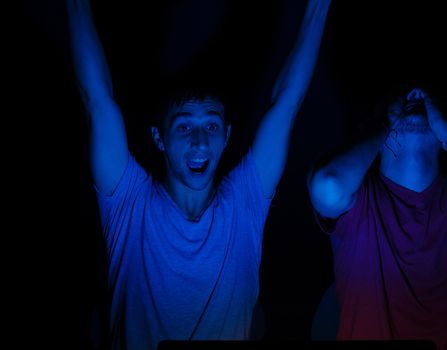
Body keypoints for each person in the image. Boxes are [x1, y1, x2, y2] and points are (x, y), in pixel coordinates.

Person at [67, 0, 331, 348]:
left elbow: (287, 101)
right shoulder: (129, 202)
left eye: (210, 125)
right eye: (184, 127)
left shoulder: (244, 201)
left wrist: (319, 8)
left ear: (226, 137)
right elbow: (96, 99)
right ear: (159, 139)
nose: (199, 141)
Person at [307, 85, 447, 349]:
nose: (413, 99)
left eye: (423, 108)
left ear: (443, 140)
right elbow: (328, 185)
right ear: (379, 138)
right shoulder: (360, 197)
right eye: (403, 106)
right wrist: (383, 124)